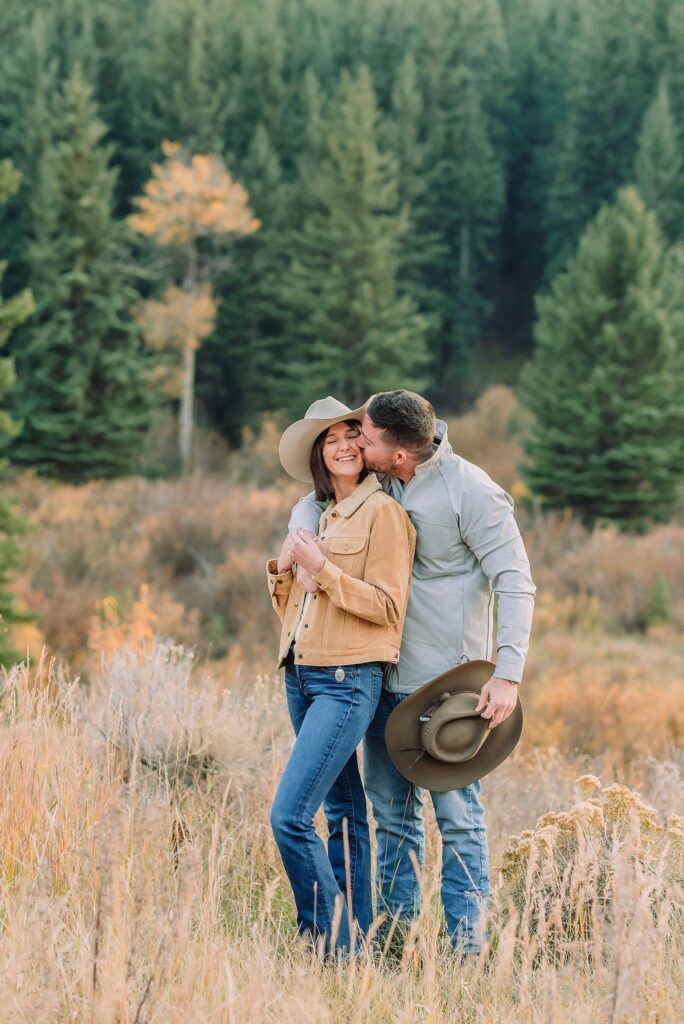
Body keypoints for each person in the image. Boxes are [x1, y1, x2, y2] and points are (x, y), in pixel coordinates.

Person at [289, 389, 536, 955]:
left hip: (448, 689)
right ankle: (397, 944)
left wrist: (508, 673)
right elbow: (318, 495)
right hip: (379, 677)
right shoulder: (381, 479)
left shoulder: (472, 493)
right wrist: (300, 533)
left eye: (367, 438)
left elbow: (515, 581)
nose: (357, 442)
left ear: (398, 453)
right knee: (392, 819)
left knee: (459, 820)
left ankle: (466, 954)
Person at [266, 396, 416, 957]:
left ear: (368, 446)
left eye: (353, 434)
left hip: (347, 679)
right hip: (301, 675)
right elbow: (295, 610)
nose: (345, 445)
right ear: (319, 456)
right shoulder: (320, 516)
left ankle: (333, 943)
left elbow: (387, 608)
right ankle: (356, 950)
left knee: (289, 815)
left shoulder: (386, 515)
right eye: (331, 440)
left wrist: (324, 570)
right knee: (344, 813)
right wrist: (286, 567)